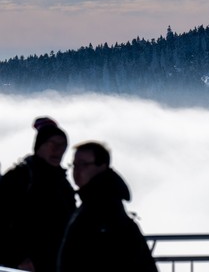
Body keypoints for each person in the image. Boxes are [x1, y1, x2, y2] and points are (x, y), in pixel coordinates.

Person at [56, 141, 157, 272]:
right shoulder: (95, 202)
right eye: (74, 165)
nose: (77, 170)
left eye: (84, 164)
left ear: (102, 166)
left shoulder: (104, 207)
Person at [0, 117, 76, 272]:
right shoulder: (21, 177)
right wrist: (17, 258)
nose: (57, 149)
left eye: (62, 145)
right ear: (39, 146)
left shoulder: (63, 184)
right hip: (22, 266)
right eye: (52, 144)